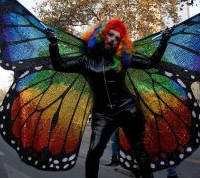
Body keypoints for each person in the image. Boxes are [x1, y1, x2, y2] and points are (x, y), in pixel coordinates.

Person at [45, 19, 172, 178]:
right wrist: (53, 43)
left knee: (139, 150)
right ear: (102, 35)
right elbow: (60, 66)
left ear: (120, 43)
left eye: (117, 38)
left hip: (128, 109)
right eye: (110, 35)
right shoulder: (86, 60)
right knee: (94, 151)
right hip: (102, 113)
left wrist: (164, 41)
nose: (112, 39)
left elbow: (150, 62)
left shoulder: (122, 60)